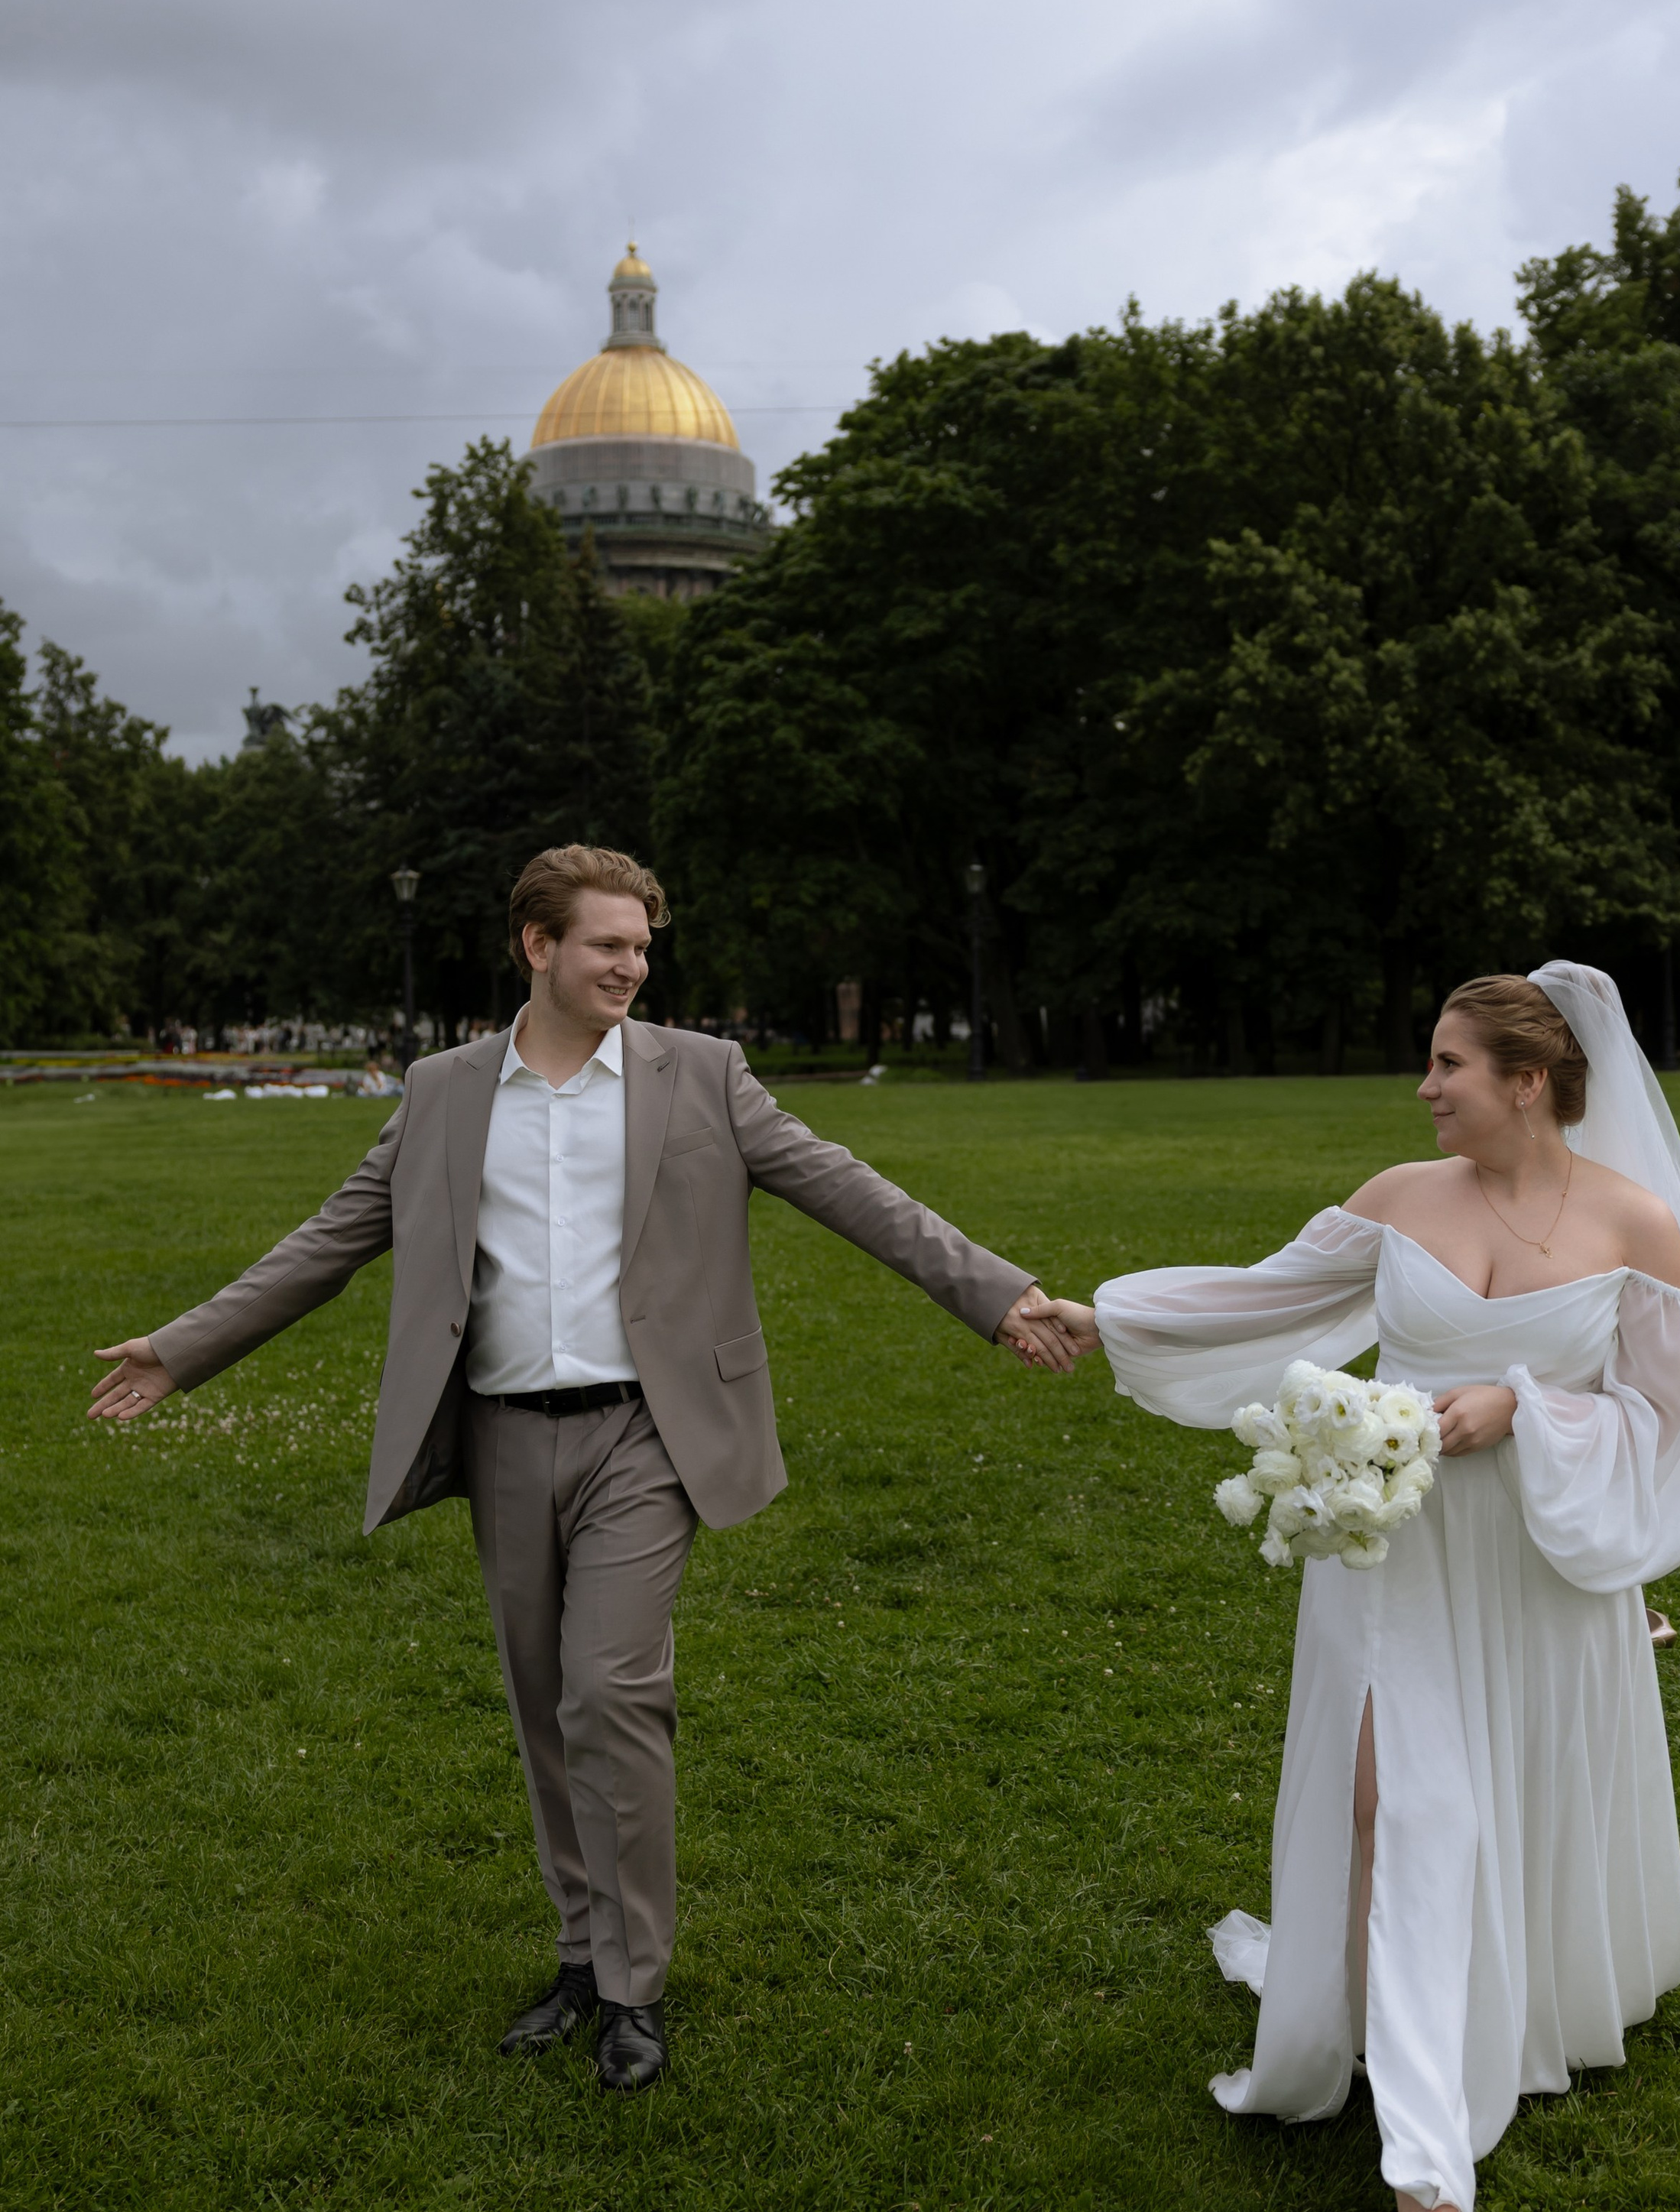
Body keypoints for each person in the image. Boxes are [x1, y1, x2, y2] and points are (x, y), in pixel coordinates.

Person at [89, 845, 1069, 2095]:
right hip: (501, 1432)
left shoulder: (700, 1074)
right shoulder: (445, 1091)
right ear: (537, 947)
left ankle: (633, 1986)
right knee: (544, 1699)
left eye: (643, 947)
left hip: (648, 1435)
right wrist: (184, 1349)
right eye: (608, 944)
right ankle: (576, 1952)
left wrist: (996, 1293)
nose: (633, 966)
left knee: (613, 1690)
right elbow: (332, 1239)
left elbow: (846, 1187)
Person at [1022, 965, 1680, 2212]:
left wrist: (1525, 1408)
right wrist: (1107, 1310)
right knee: (1392, 1800)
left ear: (1528, 1081)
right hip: (1392, 1554)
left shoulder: (1636, 1226)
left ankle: (1463, 2062)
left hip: (1534, 1564)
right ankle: (1426, 2150)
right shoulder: (1400, 1200)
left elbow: (1671, 1423)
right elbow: (1264, 1295)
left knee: (1492, 1791)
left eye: (1448, 1065)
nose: (1424, 1087)